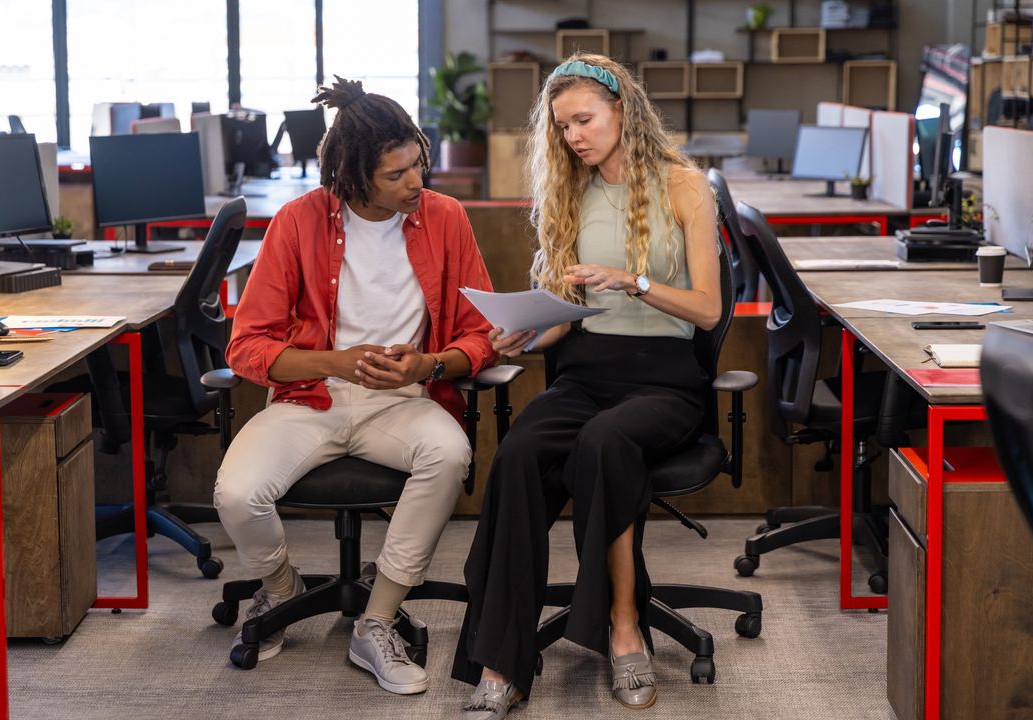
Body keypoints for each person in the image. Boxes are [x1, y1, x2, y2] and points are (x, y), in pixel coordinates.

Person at [452, 53, 722, 717]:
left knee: (604, 443)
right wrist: (524, 332)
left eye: (584, 119)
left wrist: (631, 280)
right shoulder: (568, 194)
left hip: (665, 380)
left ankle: (625, 629)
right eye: (563, 125)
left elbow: (709, 311)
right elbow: (563, 314)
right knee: (516, 453)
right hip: (584, 368)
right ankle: (502, 659)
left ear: (622, 111)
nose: (574, 135)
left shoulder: (686, 187)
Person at [216, 76, 498, 695]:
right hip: (310, 400)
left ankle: (378, 618)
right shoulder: (298, 222)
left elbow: (482, 335)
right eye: (396, 175)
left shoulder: (445, 218)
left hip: (402, 401)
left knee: (448, 453)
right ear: (353, 176)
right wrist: (335, 362)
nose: (416, 183)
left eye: (418, 165)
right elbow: (247, 347)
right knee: (237, 495)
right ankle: (282, 592)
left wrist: (428, 365)